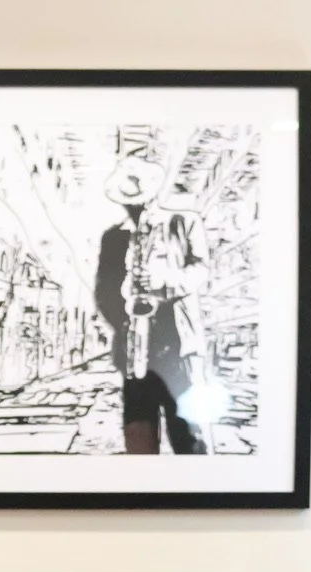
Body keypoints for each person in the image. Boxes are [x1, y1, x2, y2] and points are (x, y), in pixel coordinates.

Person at [93, 157, 210, 455]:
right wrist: (125, 316)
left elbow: (200, 271)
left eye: (141, 202)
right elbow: (103, 292)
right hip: (135, 351)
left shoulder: (184, 222)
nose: (136, 209)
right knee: (139, 438)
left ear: (153, 195)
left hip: (178, 345)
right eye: (130, 203)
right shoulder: (113, 237)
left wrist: (163, 281)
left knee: (188, 435)